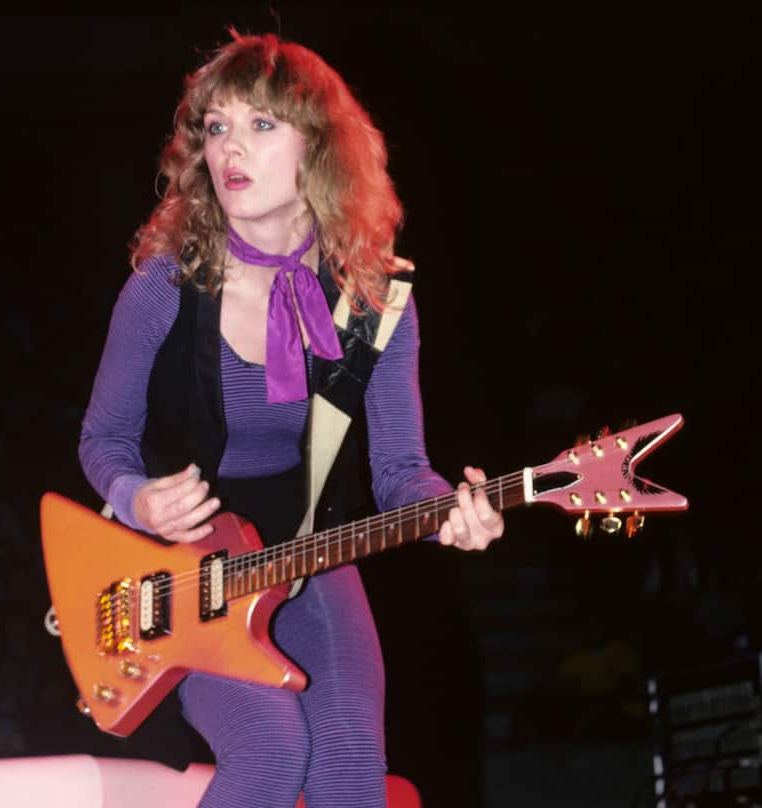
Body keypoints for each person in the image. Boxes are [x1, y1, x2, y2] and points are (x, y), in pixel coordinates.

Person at [77, 30, 503, 808]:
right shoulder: (161, 288)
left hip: (312, 560)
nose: (231, 148)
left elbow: (402, 473)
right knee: (273, 752)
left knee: (348, 771)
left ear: (320, 146)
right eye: (216, 127)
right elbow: (100, 439)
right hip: (184, 577)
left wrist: (450, 514)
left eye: (261, 124)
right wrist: (139, 499)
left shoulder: (377, 302)